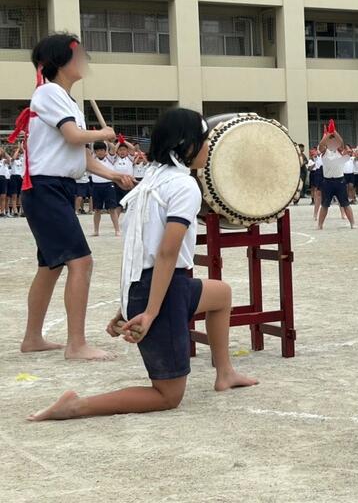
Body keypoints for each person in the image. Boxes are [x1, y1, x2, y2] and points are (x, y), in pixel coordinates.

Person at [27, 108, 258, 421]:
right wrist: (149, 312)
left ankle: (225, 372)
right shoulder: (184, 186)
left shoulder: (151, 180)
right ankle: (76, 406)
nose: (208, 147)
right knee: (168, 395)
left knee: (221, 294)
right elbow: (166, 253)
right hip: (163, 290)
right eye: (204, 140)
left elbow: (136, 249)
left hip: (154, 285)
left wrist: (126, 304)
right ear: (186, 145)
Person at [15, 33, 134, 359]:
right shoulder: (49, 92)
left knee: (50, 266)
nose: (84, 60)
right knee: (81, 261)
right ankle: (76, 344)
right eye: (79, 54)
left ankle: (32, 338)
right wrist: (103, 133)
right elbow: (73, 136)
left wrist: (115, 175)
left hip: (55, 188)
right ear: (60, 61)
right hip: (45, 188)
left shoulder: (67, 101)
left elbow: (82, 157)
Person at [316, 121, 356, 229]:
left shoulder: (339, 150)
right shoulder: (325, 151)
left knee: (345, 204)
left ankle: (352, 223)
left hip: (340, 181)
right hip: (327, 181)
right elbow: (321, 145)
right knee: (325, 205)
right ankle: (320, 225)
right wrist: (328, 134)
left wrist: (334, 131)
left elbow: (341, 142)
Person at [90, 141, 121, 236]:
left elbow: (113, 148)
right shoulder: (92, 159)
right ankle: (96, 231)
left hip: (108, 185)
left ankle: (117, 230)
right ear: (95, 151)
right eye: (97, 150)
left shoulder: (110, 158)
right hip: (96, 186)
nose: (100, 152)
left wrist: (106, 140)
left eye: (101, 150)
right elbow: (90, 149)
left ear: (105, 150)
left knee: (112, 209)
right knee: (97, 210)